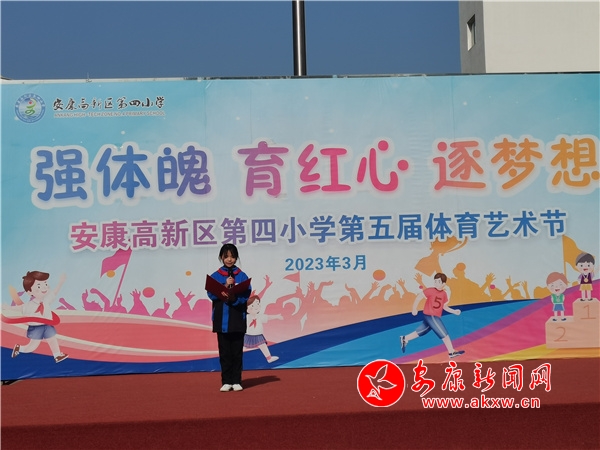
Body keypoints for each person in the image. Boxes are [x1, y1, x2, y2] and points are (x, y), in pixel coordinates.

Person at [206, 243, 251, 392]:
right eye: (226, 256)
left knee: (237, 352)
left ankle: (236, 380)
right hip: (222, 320)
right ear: (221, 257)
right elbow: (211, 294)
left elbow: (246, 294)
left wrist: (235, 299)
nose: (229, 259)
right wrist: (225, 286)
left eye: (232, 256)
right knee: (225, 352)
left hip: (237, 318)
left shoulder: (242, 275)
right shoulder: (216, 276)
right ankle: (226, 381)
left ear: (236, 257)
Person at [8, 271, 69, 363]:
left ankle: (57, 356)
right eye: (39, 286)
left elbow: (54, 292)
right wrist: (7, 308)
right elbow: (19, 308)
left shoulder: (46, 300)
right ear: (29, 292)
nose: (44, 288)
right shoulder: (29, 305)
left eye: (45, 284)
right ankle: (19, 348)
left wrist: (61, 282)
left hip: (47, 325)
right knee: (32, 347)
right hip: (36, 328)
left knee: (52, 340)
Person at [400, 273, 465, 359]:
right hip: (431, 315)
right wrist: (414, 308)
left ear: (444, 283)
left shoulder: (444, 294)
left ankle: (405, 338)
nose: (436, 283)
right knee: (444, 333)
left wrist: (454, 311)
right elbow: (419, 297)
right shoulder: (430, 290)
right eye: (435, 281)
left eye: (438, 281)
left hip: (434, 316)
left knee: (422, 331)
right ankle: (451, 352)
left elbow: (444, 306)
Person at [244, 295, 282, 363]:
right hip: (248, 335)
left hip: (258, 335)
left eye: (257, 304)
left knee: (263, 346)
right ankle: (233, 356)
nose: (256, 307)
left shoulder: (260, 316)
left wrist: (276, 316)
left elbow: (268, 317)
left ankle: (269, 358)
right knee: (244, 347)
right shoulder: (246, 316)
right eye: (252, 306)